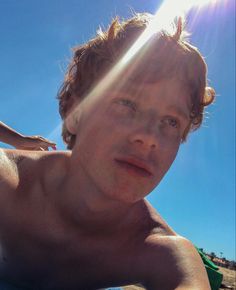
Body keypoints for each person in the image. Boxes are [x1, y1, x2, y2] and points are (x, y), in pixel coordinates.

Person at [0, 13, 215, 290]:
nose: (149, 138)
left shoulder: (160, 252)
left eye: (171, 122)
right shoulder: (6, 186)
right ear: (75, 113)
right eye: (127, 104)